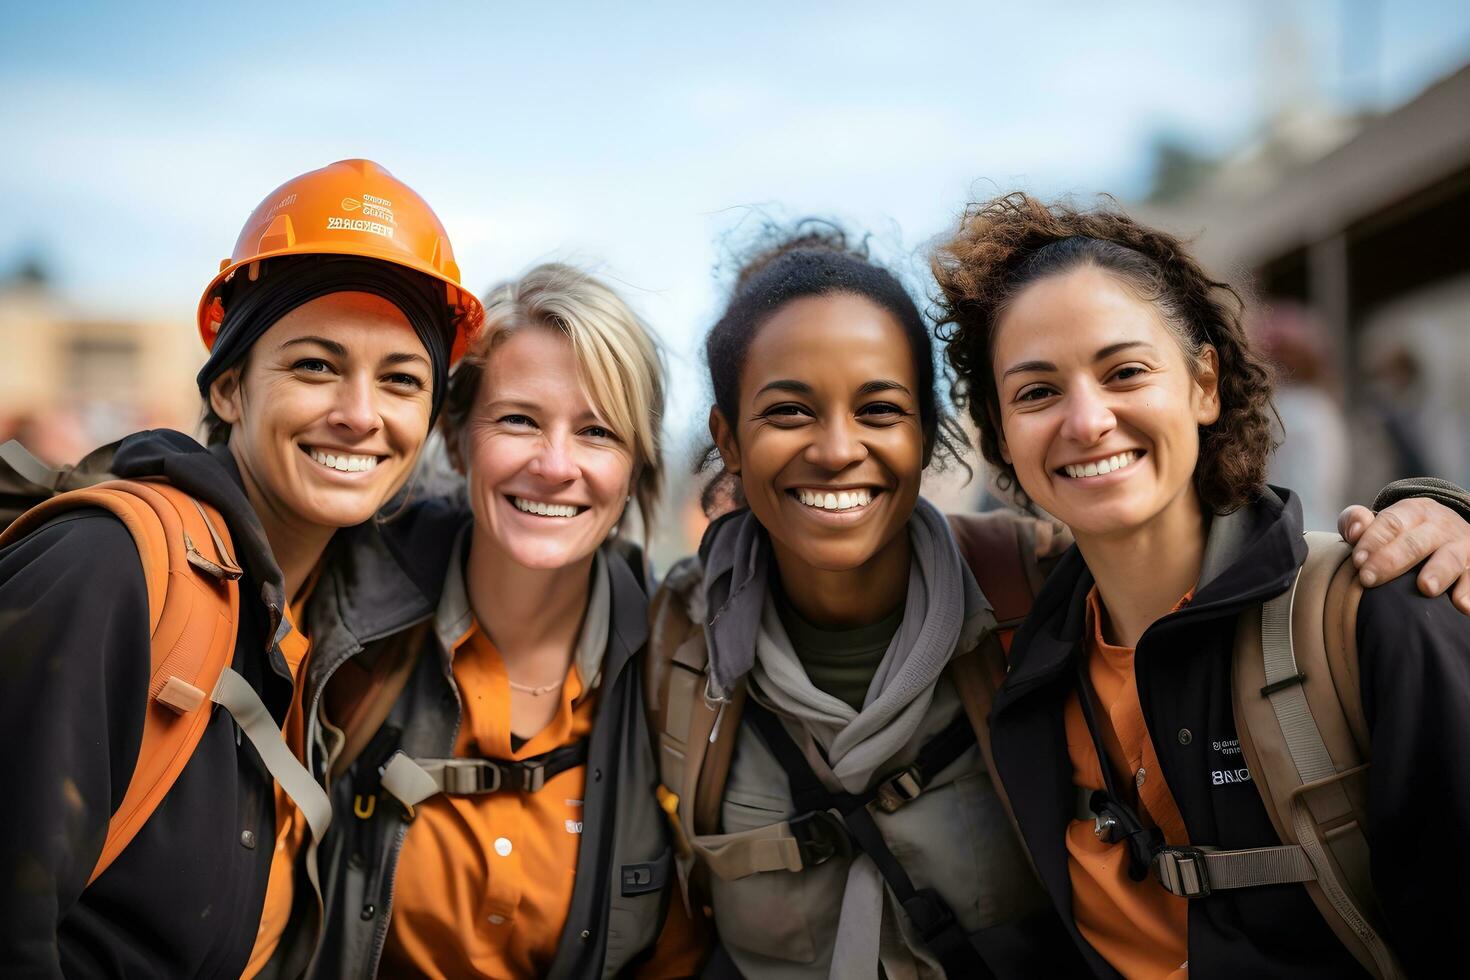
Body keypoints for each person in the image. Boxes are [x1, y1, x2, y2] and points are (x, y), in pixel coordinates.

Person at [930, 191, 1470, 977]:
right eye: (1037, 392)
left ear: (1204, 384)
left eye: (1125, 371)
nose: (1086, 421)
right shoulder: (1016, 660)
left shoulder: (1378, 613)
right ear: (1002, 436)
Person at [0, 158, 480, 978]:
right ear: (228, 388)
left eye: (401, 380)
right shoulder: (112, 569)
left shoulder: (318, 614)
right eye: (315, 366)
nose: (360, 415)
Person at [308, 264, 706, 978]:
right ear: (457, 439)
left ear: (637, 470)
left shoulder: (679, 670)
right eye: (519, 419)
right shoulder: (345, 620)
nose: (555, 466)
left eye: (597, 432)